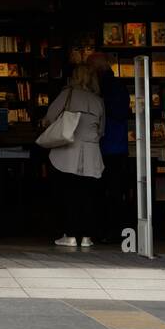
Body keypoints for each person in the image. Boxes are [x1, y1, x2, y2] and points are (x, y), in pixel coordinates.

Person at [42, 64, 105, 248]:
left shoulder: (67, 94)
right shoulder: (98, 100)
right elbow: (102, 130)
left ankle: (69, 235)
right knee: (89, 196)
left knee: (69, 194)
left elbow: (50, 117)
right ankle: (86, 237)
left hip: (68, 151)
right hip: (92, 153)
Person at [88, 52, 131, 244]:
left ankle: (107, 230)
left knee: (103, 191)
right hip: (117, 146)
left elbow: (116, 113)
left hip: (107, 146)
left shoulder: (104, 88)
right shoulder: (118, 86)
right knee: (114, 191)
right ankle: (114, 230)